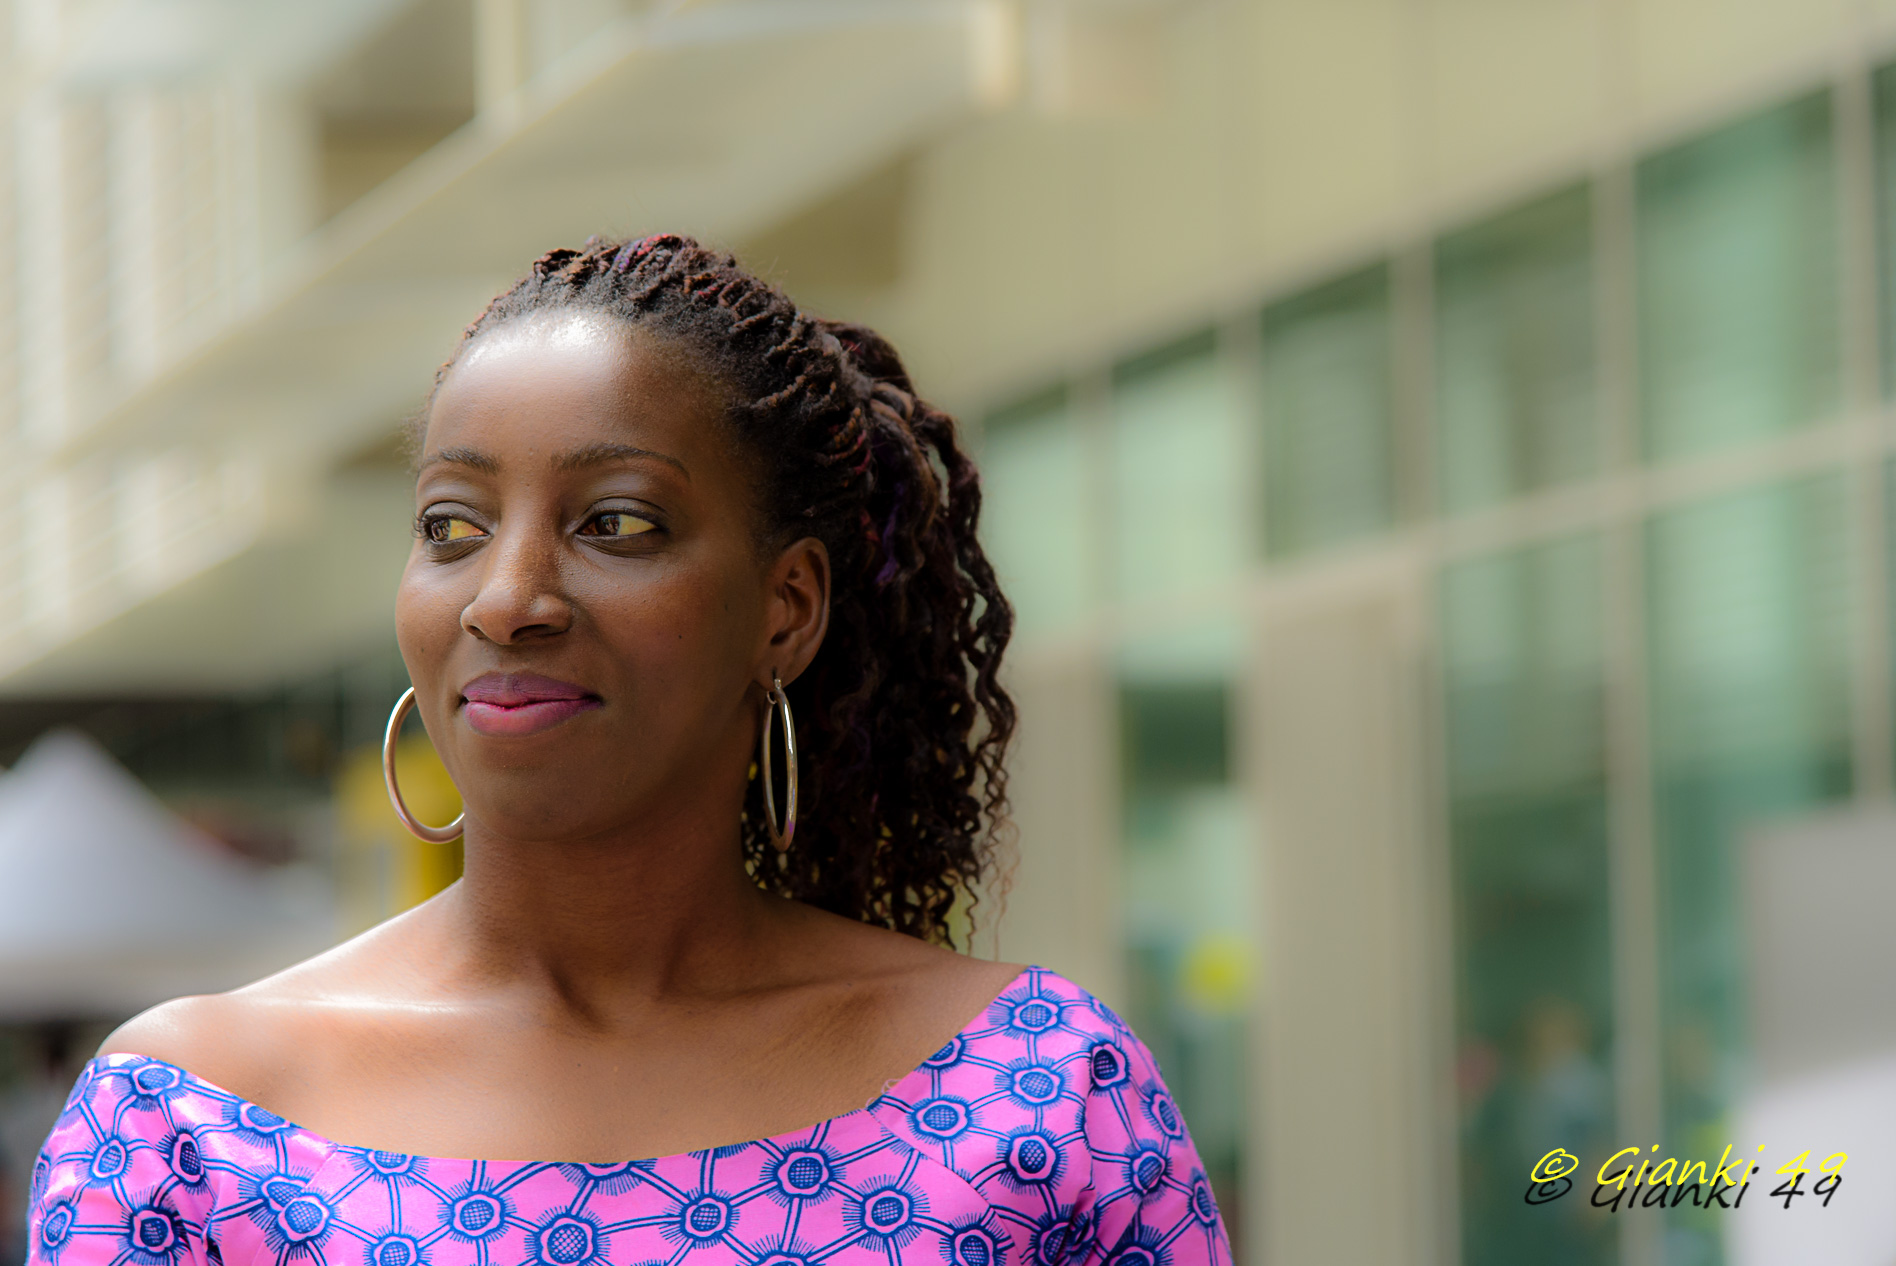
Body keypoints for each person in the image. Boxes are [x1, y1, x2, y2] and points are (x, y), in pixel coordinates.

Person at [25, 235, 1233, 1266]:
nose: (507, 598)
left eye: (618, 523)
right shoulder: (192, 1126)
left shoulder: (1039, 1098)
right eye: (453, 526)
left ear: (787, 609)